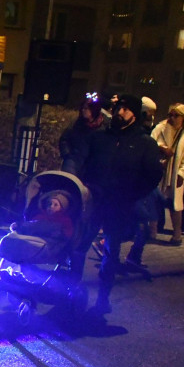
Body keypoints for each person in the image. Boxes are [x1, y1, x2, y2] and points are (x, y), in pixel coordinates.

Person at [77, 94, 163, 314]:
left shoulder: (144, 143)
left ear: (134, 113)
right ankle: (72, 294)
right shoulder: (100, 138)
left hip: (119, 204)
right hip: (95, 201)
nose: (119, 113)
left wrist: (132, 193)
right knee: (80, 247)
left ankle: (103, 298)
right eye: (118, 109)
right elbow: (83, 163)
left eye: (125, 109)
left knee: (111, 252)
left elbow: (153, 174)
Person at [148, 103, 184, 247]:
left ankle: (177, 234)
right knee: (154, 202)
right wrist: (161, 148)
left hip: (175, 173)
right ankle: (152, 232)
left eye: (176, 116)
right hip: (159, 171)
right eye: (171, 115)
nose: (172, 118)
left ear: (183, 117)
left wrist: (182, 173)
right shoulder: (160, 128)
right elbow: (150, 142)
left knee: (175, 205)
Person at [60, 96, 109, 178]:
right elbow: (64, 139)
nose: (83, 110)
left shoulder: (104, 127)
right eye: (83, 108)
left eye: (86, 109)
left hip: (93, 165)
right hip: (74, 160)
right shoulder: (76, 124)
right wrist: (67, 154)